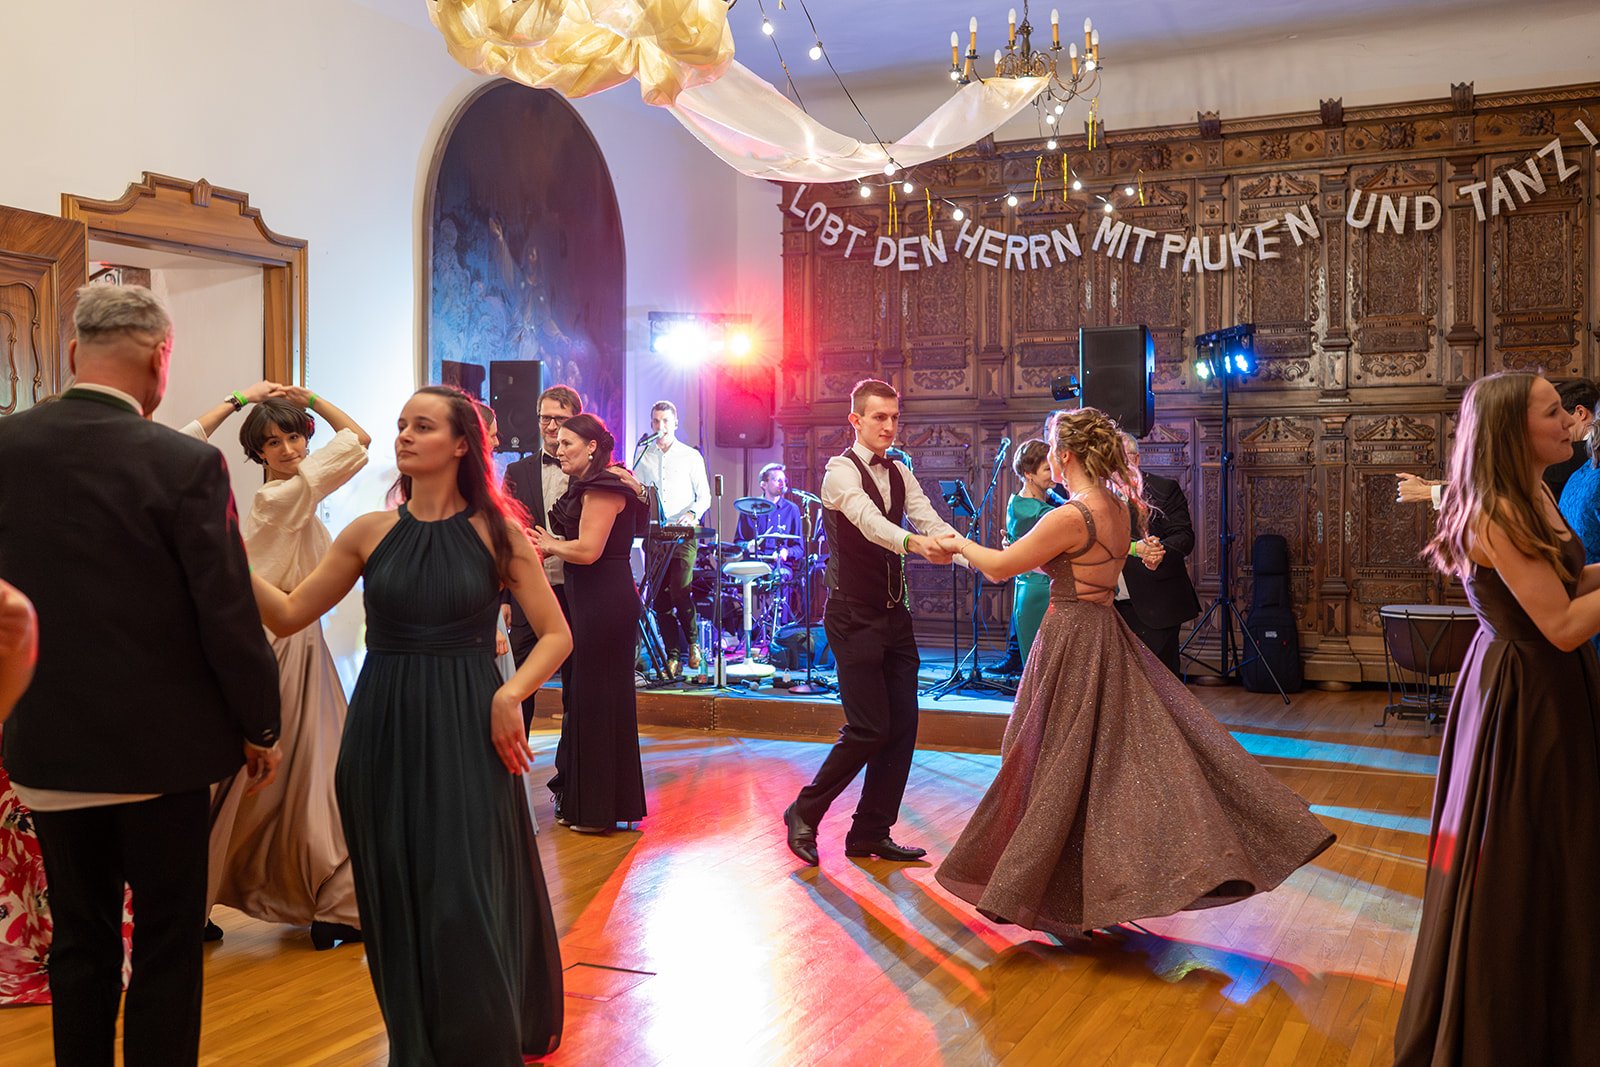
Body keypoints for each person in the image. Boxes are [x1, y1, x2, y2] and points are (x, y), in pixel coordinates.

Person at [0, 284, 282, 1065]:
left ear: (70, 355)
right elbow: (226, 613)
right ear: (162, 359)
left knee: (79, 941)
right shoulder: (186, 462)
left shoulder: (5, 447)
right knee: (164, 943)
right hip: (164, 756)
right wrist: (260, 723)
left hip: (45, 744)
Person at [250, 384, 570, 1064]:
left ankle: (480, 1044)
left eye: (421, 426)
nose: (403, 435)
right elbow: (285, 613)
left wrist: (511, 692)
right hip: (383, 723)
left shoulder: (498, 532)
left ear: (460, 444)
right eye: (400, 425)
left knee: (461, 889)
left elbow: (554, 635)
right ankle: (417, 1044)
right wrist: (218, 548)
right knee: (397, 894)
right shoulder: (370, 532)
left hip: (468, 720)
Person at [931, 406, 1332, 938]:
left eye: (1052, 448)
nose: (1049, 457)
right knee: (1091, 767)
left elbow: (1003, 568)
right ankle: (1076, 892)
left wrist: (958, 544)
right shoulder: (1117, 508)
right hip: (1104, 633)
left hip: (1071, 636)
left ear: (1066, 454)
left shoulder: (1072, 515)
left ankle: (1047, 889)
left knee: (1050, 763)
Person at [1393, 372, 1600, 1066]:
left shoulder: (1536, 491)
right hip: (1523, 697)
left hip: (1554, 687)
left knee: (1563, 858)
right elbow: (1564, 623)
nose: (1570, 421)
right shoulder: (1494, 511)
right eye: (1553, 412)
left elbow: (1570, 580)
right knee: (1518, 865)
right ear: (1514, 430)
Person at [184, 386, 371, 951]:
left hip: (296, 634)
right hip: (276, 637)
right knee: (278, 771)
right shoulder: (278, 499)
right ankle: (331, 904)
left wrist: (291, 401)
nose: (287, 449)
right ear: (258, 454)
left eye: (293, 436)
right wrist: (273, 399)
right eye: (273, 442)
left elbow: (350, 442)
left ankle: (328, 903)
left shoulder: (291, 495)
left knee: (300, 771)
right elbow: (358, 438)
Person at [782, 379, 962, 866]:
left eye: (894, 417)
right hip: (852, 616)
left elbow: (933, 524)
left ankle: (869, 832)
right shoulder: (839, 471)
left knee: (903, 726)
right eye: (878, 417)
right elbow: (870, 523)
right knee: (868, 728)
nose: (888, 425)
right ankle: (805, 810)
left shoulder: (902, 470)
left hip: (894, 617)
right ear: (856, 421)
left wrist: (983, 560)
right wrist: (913, 544)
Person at [530, 414, 649, 834]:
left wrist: (547, 545)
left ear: (592, 446)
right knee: (590, 699)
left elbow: (588, 551)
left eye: (566, 443)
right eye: (557, 444)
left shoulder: (602, 488)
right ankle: (599, 804)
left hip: (604, 601)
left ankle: (596, 810)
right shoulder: (602, 483)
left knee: (596, 701)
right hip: (594, 599)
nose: (558, 449)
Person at [504, 384, 582, 730]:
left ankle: (572, 777)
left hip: (580, 590)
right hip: (529, 590)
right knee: (520, 681)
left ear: (575, 421)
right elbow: (505, 538)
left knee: (577, 688)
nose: (551, 427)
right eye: (545, 418)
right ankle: (510, 773)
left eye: (560, 419)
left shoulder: (591, 474)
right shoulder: (517, 473)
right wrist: (505, 597)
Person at [1397, 376, 1599, 508]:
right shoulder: (1570, 457)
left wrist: (1428, 492)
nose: (1563, 421)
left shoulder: (1581, 453)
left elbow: (1502, 491)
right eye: (1554, 413)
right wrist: (1440, 486)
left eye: (1557, 411)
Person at [635, 400, 712, 678]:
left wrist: (691, 513)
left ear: (675, 423)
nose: (660, 427)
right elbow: (640, 494)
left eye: (665, 421)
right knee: (658, 597)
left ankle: (692, 643)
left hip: (685, 533)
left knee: (680, 588)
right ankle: (672, 656)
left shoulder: (690, 456)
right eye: (656, 421)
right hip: (656, 534)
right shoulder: (645, 456)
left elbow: (703, 496)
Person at [1115, 433, 1201, 675]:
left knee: (1159, 687)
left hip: (1155, 604)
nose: (1114, 466)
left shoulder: (1164, 489)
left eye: (1121, 458)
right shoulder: (1095, 496)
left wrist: (1158, 550)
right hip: (1107, 605)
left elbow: (1184, 536)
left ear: (1137, 459)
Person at [1005, 439, 1056, 665]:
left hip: (1028, 589)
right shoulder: (1034, 510)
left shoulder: (1017, 501)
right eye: (1047, 469)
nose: (1053, 473)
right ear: (1029, 474)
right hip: (1041, 593)